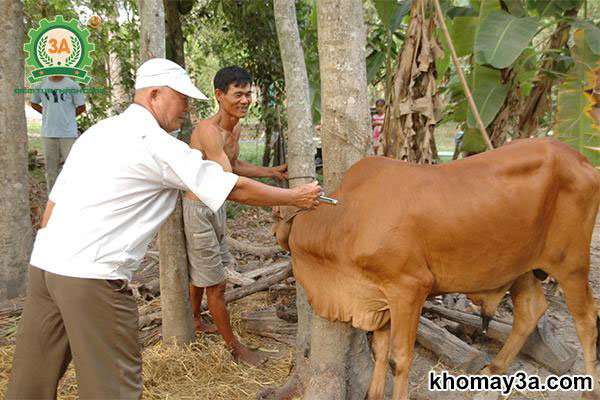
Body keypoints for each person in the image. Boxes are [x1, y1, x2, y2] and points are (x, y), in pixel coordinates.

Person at [6, 58, 321, 400]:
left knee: (30, 384)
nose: (187, 106)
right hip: (92, 277)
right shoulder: (156, 143)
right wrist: (296, 196)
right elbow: (231, 186)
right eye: (182, 97)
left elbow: (51, 208)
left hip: (46, 267)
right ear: (154, 95)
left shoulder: (98, 132)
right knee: (114, 389)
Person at [183, 66, 287, 366]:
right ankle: (236, 350)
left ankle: (195, 321)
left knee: (204, 271)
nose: (245, 100)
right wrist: (275, 199)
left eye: (248, 94)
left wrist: (271, 173)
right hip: (199, 209)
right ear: (219, 96)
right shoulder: (207, 131)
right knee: (215, 283)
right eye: (238, 94)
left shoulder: (235, 128)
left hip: (216, 208)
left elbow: (235, 164)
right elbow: (229, 181)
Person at [31, 75, 86, 191]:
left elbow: (82, 107)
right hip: (48, 133)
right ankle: (52, 199)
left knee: (72, 167)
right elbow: (34, 103)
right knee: (51, 170)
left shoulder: (72, 85)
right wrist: (46, 114)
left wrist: (69, 117)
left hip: (68, 134)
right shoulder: (41, 84)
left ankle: (72, 195)